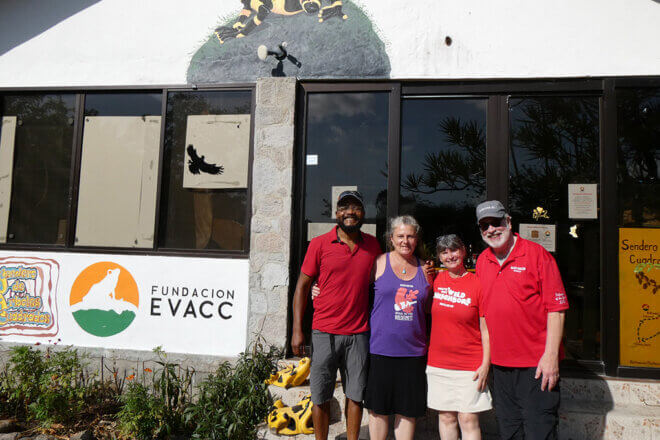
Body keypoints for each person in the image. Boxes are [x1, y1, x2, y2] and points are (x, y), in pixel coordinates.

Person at [475, 200, 569, 440]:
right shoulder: (482, 261)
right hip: (501, 366)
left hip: (536, 366)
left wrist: (550, 356)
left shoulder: (537, 255)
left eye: (495, 222)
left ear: (508, 221)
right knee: (510, 430)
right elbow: (484, 315)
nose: (490, 230)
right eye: (484, 225)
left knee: (540, 430)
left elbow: (556, 309)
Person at [291, 190, 381, 440]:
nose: (350, 212)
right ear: (336, 213)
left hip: (359, 334)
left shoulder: (372, 246)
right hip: (324, 333)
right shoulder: (319, 244)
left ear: (363, 213)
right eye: (344, 207)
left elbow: (387, 277)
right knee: (321, 395)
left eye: (355, 207)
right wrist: (297, 330)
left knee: (355, 394)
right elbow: (302, 286)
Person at [364, 215, 431, 440]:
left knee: (407, 411)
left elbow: (434, 308)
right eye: (400, 236)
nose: (405, 241)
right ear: (391, 238)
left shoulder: (427, 270)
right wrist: (318, 287)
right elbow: (352, 288)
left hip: (413, 353)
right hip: (381, 350)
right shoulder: (378, 263)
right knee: (378, 410)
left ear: (417, 239)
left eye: (410, 236)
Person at [426, 234, 492, 440]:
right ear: (438, 257)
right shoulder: (434, 280)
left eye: (454, 250)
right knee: (446, 417)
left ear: (463, 251)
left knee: (468, 419)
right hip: (439, 363)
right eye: (444, 252)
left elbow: (485, 329)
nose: (450, 255)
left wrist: (485, 364)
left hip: (470, 365)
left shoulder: (477, 283)